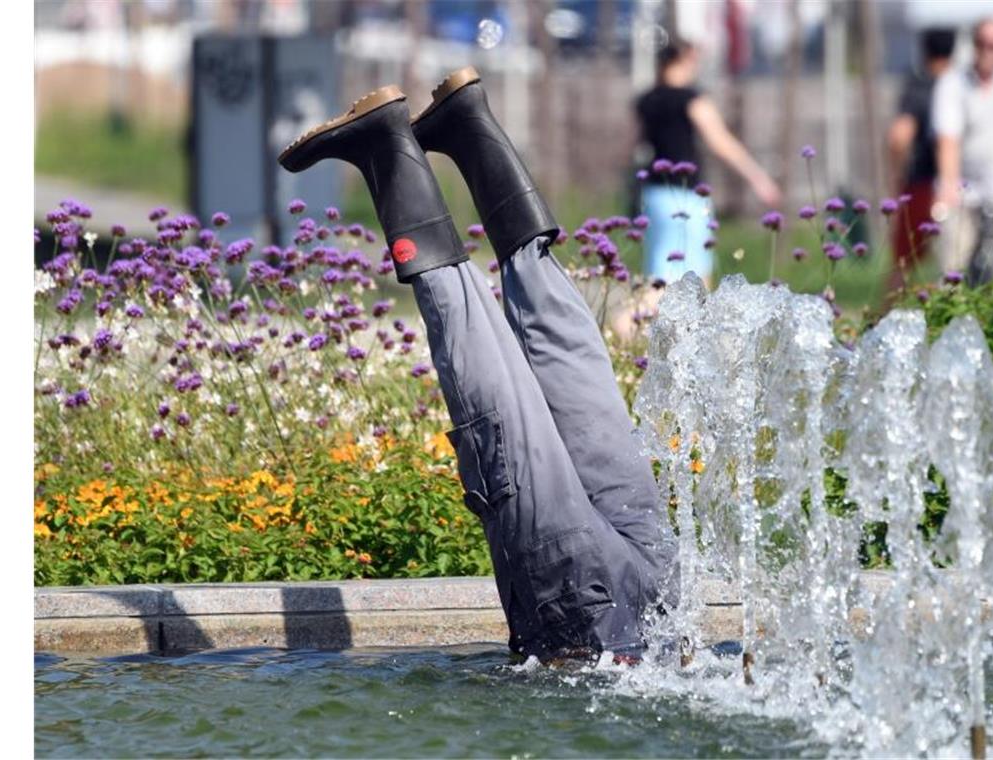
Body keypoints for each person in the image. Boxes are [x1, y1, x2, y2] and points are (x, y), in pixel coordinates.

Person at [279, 68, 677, 664]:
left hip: (660, 574)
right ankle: (383, 144)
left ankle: (468, 124)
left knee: (569, 356)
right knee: (498, 406)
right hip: (581, 606)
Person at [634, 38, 781, 288]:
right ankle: (625, 323)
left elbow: (636, 148)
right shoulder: (692, 99)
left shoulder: (646, 101)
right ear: (684, 60)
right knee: (691, 278)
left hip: (654, 196)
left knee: (662, 272)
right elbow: (721, 141)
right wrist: (758, 178)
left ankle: (645, 323)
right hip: (685, 198)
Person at [932, 17, 993, 285]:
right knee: (952, 269)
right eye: (983, 43)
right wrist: (948, 186)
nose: (989, 50)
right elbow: (948, 139)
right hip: (965, 190)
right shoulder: (954, 84)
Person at [884, 27, 955, 297]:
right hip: (958, 187)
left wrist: (897, 175)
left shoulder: (918, 87)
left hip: (921, 184)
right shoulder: (959, 86)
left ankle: (881, 323)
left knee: (903, 265)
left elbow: (899, 136)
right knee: (954, 264)